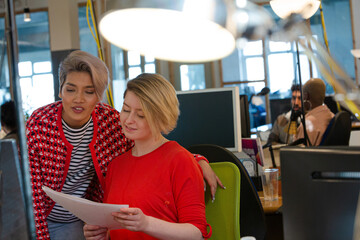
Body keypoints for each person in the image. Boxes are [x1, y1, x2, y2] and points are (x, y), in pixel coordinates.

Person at [26, 50, 220, 240]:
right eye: (125, 110)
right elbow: (33, 197)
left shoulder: (108, 121)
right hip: (50, 215)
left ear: (99, 96)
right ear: (60, 90)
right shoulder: (41, 125)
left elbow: (160, 152)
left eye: (89, 91)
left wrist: (196, 160)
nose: (78, 99)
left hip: (83, 217)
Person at [84, 73, 212, 240]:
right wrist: (104, 234)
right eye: (126, 109)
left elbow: (197, 234)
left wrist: (146, 224)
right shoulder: (116, 165)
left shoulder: (180, 160)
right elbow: (120, 226)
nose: (129, 120)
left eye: (140, 115)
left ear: (160, 118)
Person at [295, 78, 334, 146]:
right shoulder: (332, 116)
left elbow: (298, 154)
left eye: (302, 96)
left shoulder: (307, 124)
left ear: (306, 96)